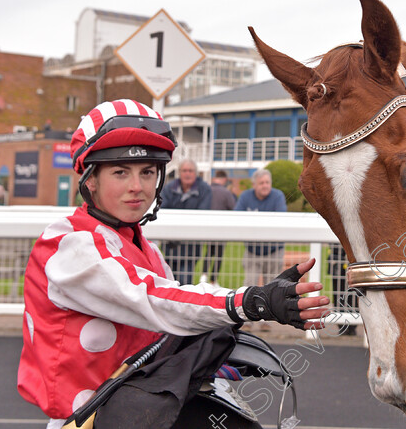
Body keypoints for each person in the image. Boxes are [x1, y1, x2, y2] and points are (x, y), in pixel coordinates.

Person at [17, 99, 329, 427]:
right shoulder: (70, 244)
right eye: (120, 172)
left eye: (148, 172)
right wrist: (249, 301)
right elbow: (153, 299)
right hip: (88, 418)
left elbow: (177, 303)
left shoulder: (142, 245)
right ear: (90, 180)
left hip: (136, 407)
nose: (137, 187)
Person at [160, 159, 212, 284]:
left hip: (191, 247)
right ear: (179, 173)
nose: (187, 174)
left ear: (196, 173)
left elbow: (201, 214)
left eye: (190, 171)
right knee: (169, 281)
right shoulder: (169, 188)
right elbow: (162, 210)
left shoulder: (204, 189)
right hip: (170, 245)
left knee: (185, 281)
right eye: (184, 171)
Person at [234, 168, 288, 289]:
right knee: (249, 287)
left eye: (267, 182)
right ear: (254, 185)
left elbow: (279, 219)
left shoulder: (278, 196)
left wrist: (252, 221)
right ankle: (249, 308)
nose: (265, 186)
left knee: (273, 289)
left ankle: (270, 309)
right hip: (252, 250)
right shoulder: (245, 196)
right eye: (261, 183)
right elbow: (237, 217)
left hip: (274, 251)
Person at [203, 169, 237, 285]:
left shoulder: (206, 190)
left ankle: (204, 276)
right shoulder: (226, 193)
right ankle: (213, 280)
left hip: (208, 227)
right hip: (221, 228)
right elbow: (233, 208)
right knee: (218, 254)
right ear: (224, 179)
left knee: (208, 252)